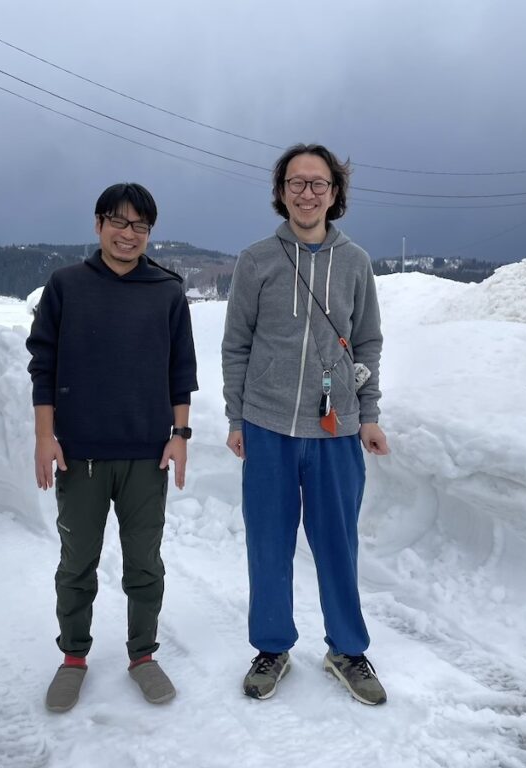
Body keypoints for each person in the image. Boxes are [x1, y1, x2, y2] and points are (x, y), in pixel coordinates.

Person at [221, 144, 390, 705]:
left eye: (318, 183)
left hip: (336, 431)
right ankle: (272, 647)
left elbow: (367, 343)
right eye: (296, 182)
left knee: (337, 545)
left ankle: (347, 649)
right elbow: (236, 345)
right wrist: (236, 417)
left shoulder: (355, 262)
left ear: (335, 193)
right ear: (281, 191)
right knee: (269, 544)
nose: (307, 193)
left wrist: (369, 415)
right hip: (267, 425)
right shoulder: (256, 261)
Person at [26, 182, 198, 713]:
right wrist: (44, 437)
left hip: (146, 454)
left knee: (144, 563)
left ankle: (143, 655)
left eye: (140, 225)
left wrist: (180, 436)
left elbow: (181, 372)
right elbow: (43, 367)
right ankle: (73, 657)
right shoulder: (66, 286)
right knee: (77, 563)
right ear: (98, 224)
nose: (129, 234)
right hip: (80, 454)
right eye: (118, 222)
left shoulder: (167, 291)